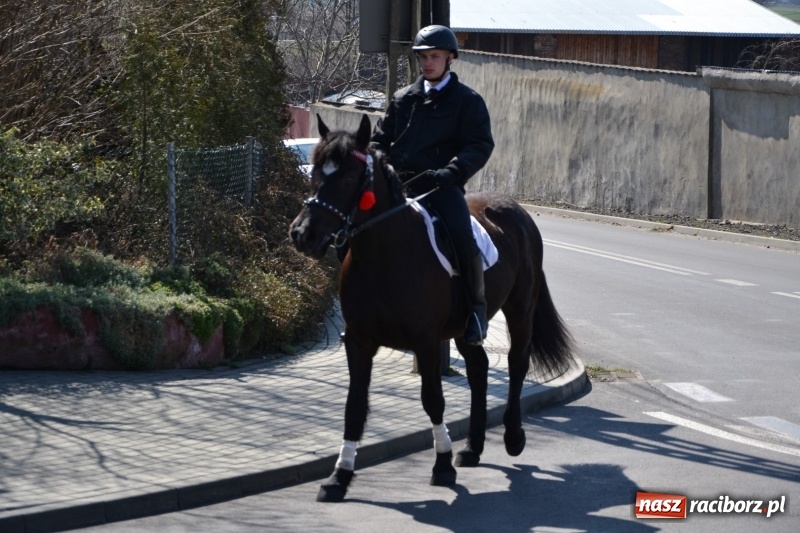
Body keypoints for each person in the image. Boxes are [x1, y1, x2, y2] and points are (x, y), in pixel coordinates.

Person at [370, 24, 495, 346]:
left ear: (450, 58)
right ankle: (363, 315)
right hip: (399, 187)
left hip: (441, 187)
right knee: (359, 231)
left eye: (434, 56)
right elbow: (379, 140)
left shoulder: (467, 101)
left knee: (463, 239)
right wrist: (381, 163)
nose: (427, 63)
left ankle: (476, 315)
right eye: (423, 57)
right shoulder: (403, 99)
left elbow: (479, 144)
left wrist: (453, 171)